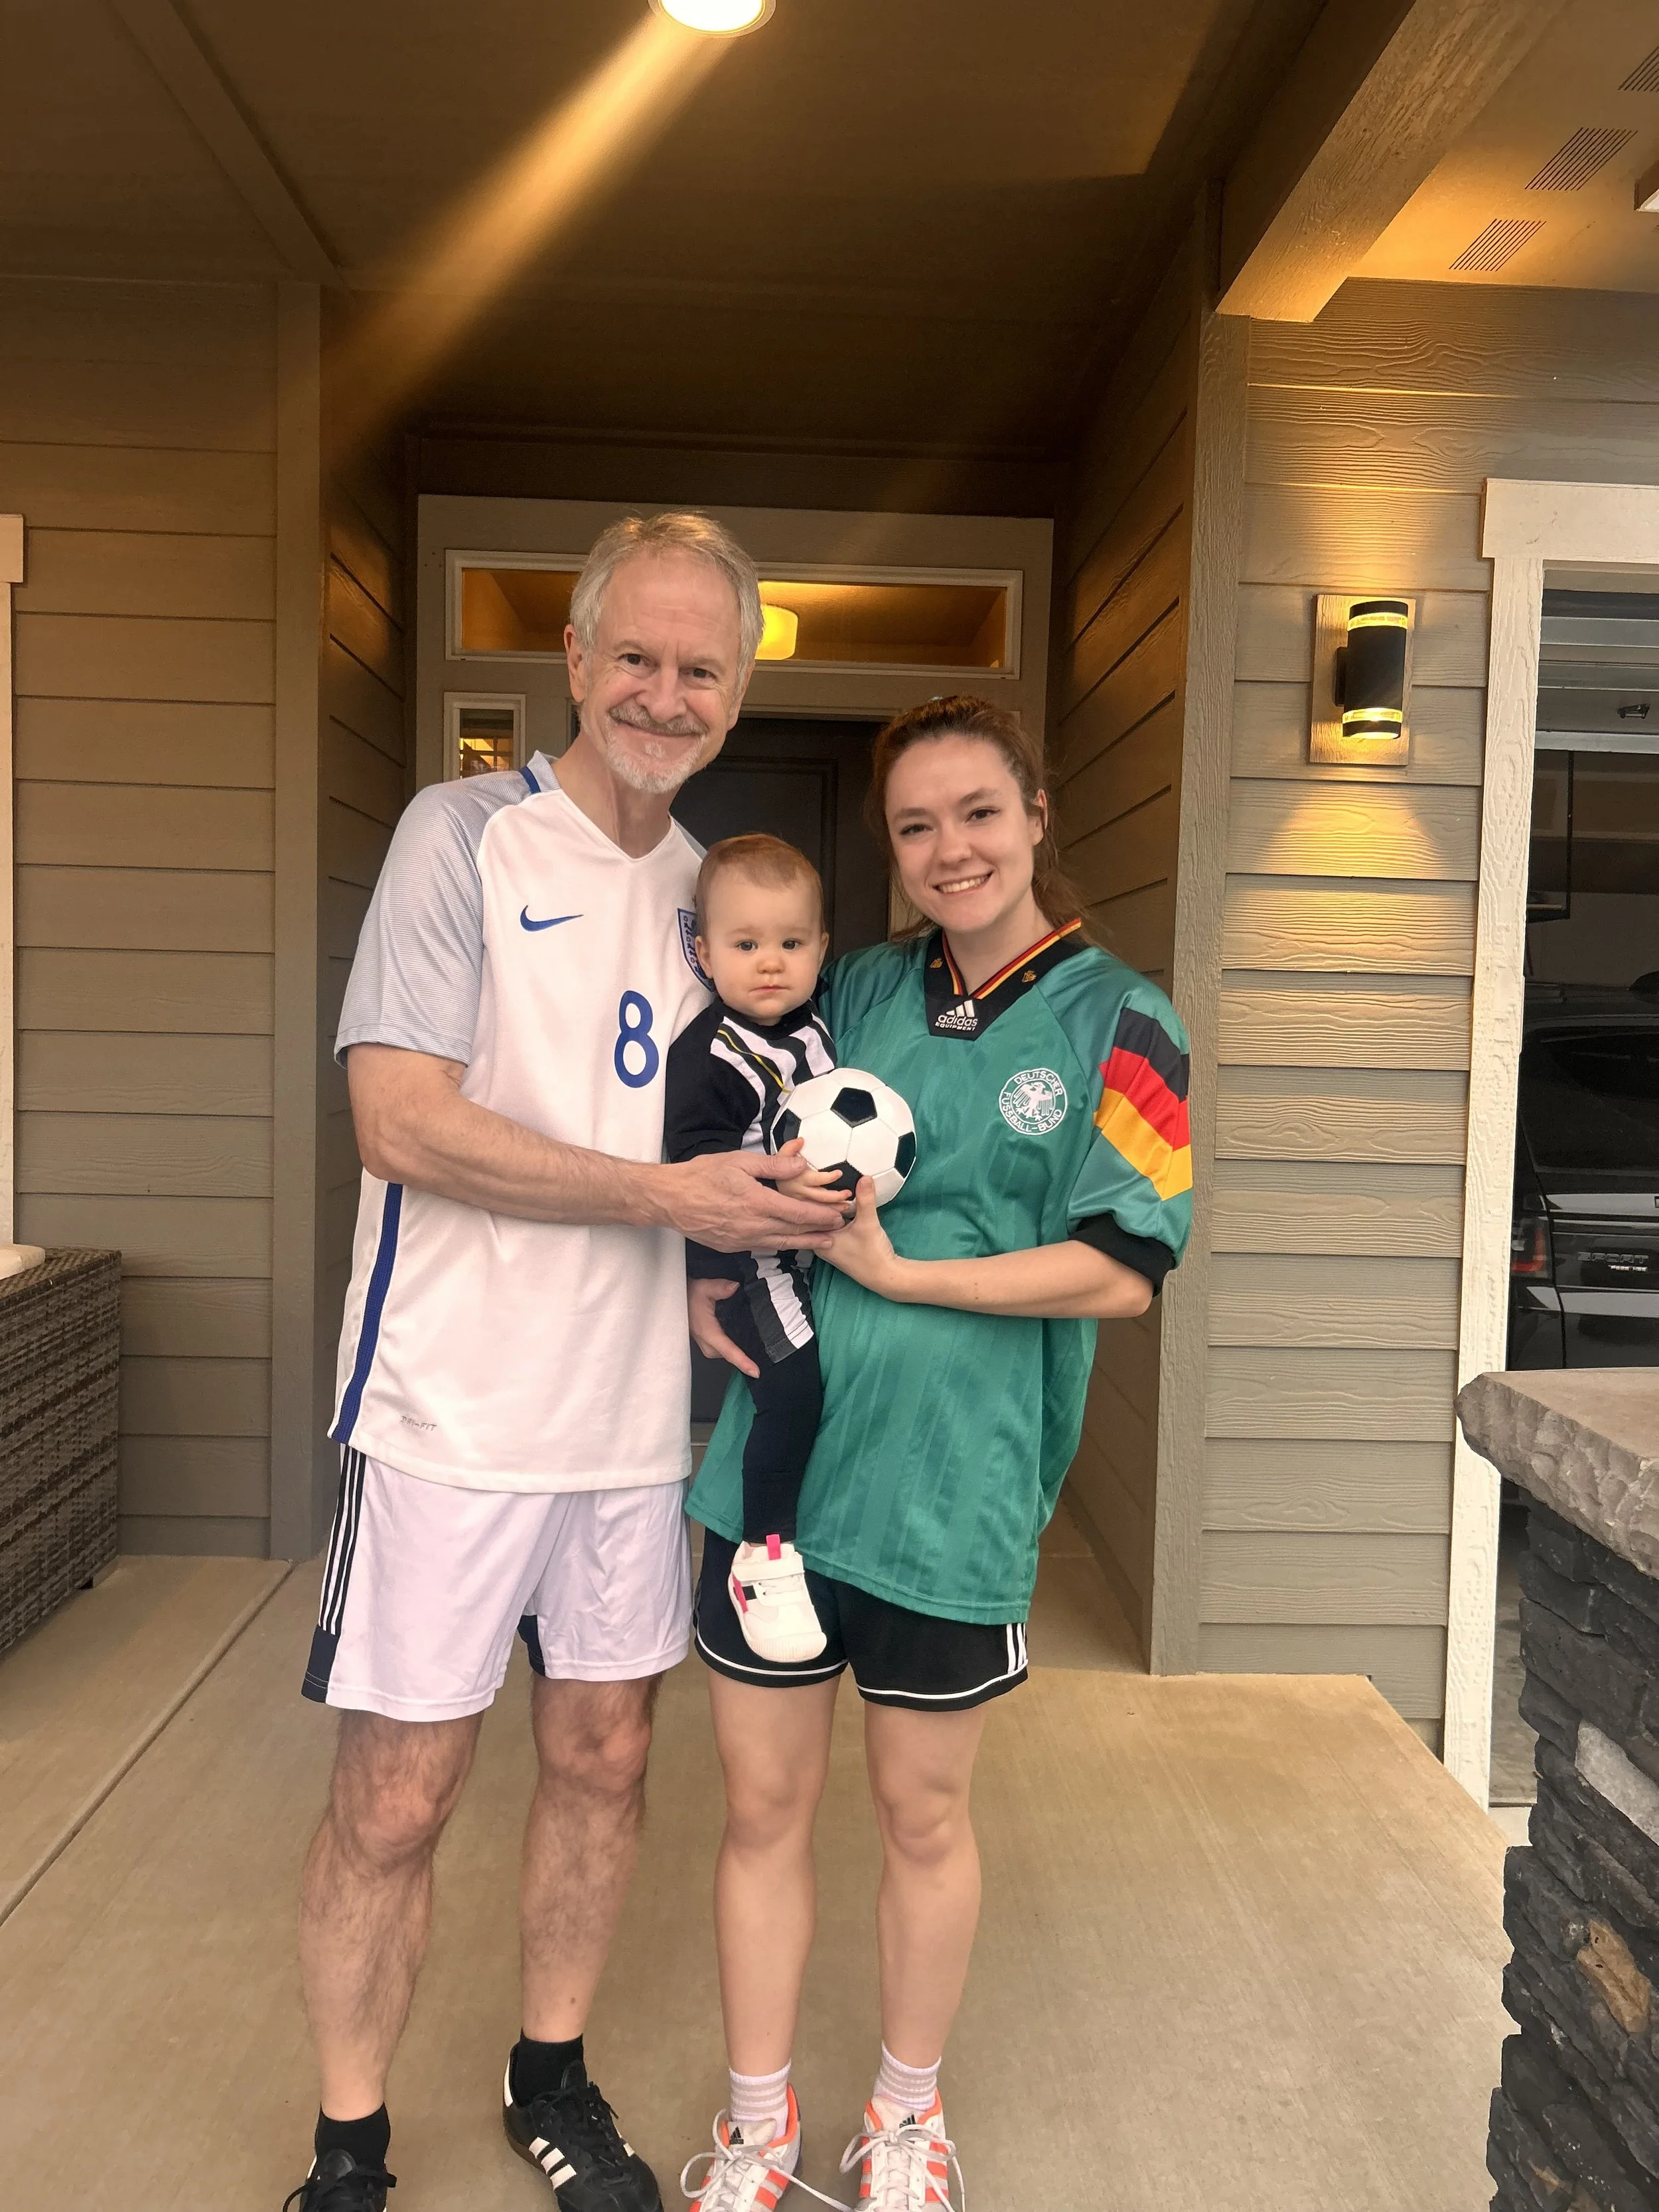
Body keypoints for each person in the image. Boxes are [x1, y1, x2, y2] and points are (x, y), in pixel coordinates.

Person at [285, 512, 846, 2212]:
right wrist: (662, 1193)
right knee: (399, 1791)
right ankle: (351, 2143)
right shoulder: (462, 836)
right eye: (639, 658)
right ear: (579, 664)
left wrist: (698, 1264)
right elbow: (398, 1121)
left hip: (627, 1428)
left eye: (702, 668)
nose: (665, 694)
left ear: (736, 692)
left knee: (605, 1760)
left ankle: (552, 2075)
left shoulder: (711, 901)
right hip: (449, 1408)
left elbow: (692, 1134)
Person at [681, 695, 1192, 2211]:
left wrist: (909, 1280)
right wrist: (708, 1269)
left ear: (1037, 810)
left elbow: (1123, 1265)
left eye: (977, 811)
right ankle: (758, 2121)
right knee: (761, 1811)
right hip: (778, 1488)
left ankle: (905, 2116)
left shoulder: (1124, 1017)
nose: (949, 848)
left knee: (921, 1814)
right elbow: (717, 1120)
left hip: (955, 1497)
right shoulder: (850, 991)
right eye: (915, 825)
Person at [664, 834, 837, 1666]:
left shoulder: (823, 1025)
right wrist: (705, 1273)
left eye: (791, 943)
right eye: (745, 944)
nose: (770, 963)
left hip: (823, 1254)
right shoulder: (711, 1055)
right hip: (755, 1261)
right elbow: (693, 1175)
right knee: (791, 1391)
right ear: (703, 951)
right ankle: (762, 1558)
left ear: (820, 949)